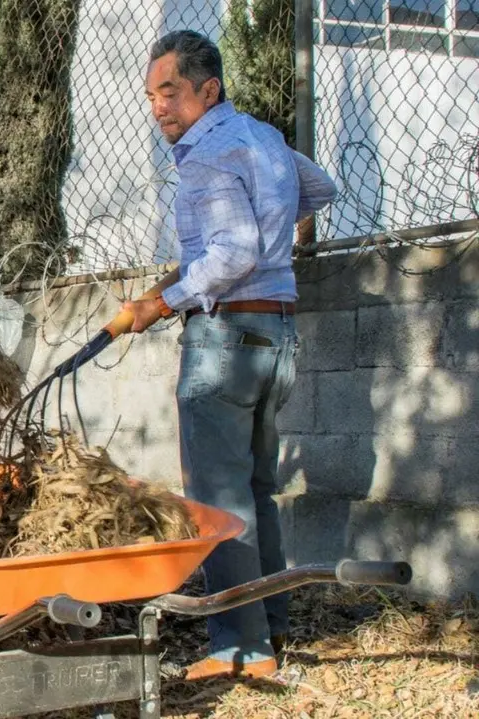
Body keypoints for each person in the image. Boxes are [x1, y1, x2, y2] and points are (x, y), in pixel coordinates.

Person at [123, 30, 337, 681]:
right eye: (152, 95)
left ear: (207, 89)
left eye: (170, 92)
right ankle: (269, 624)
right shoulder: (264, 138)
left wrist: (166, 300)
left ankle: (240, 649)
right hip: (277, 339)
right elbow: (320, 189)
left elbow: (233, 253)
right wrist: (282, 230)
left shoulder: (207, 155)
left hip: (224, 340)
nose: (159, 107)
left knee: (219, 498)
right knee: (258, 490)